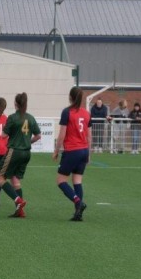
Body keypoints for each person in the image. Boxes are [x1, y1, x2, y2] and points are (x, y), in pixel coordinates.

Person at [0, 92, 41, 218]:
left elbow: (3, 135)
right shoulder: (30, 118)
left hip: (14, 151)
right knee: (15, 179)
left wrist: (5, 129)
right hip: (26, 153)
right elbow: (38, 136)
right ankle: (19, 211)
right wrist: (27, 141)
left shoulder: (12, 117)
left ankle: (18, 201)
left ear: (15, 103)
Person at [53, 86, 91, 221]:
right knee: (77, 181)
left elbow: (62, 134)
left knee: (61, 181)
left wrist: (56, 151)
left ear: (70, 97)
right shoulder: (87, 113)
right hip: (84, 150)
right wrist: (89, 154)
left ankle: (78, 203)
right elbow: (89, 135)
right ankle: (78, 214)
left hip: (72, 150)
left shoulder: (67, 112)